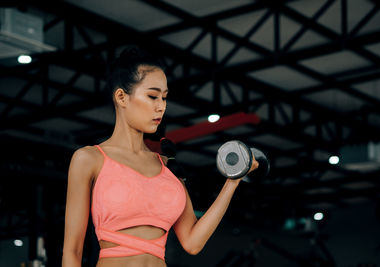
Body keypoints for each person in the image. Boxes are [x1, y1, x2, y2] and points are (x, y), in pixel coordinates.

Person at [62, 45, 259, 267]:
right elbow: (73, 250)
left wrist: (233, 181)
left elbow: (193, 242)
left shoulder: (168, 166)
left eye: (164, 98)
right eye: (153, 96)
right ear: (121, 97)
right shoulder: (89, 159)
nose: (161, 107)